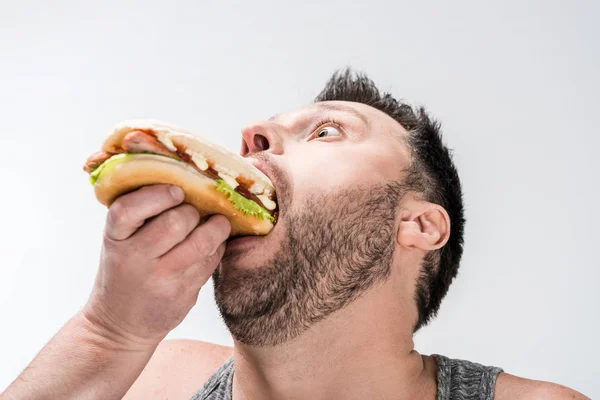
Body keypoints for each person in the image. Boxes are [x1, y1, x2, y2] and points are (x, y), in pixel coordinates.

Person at [1, 69, 589, 400]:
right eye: (261, 133)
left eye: (329, 132)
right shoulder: (153, 381)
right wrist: (110, 332)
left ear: (418, 223)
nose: (251, 135)